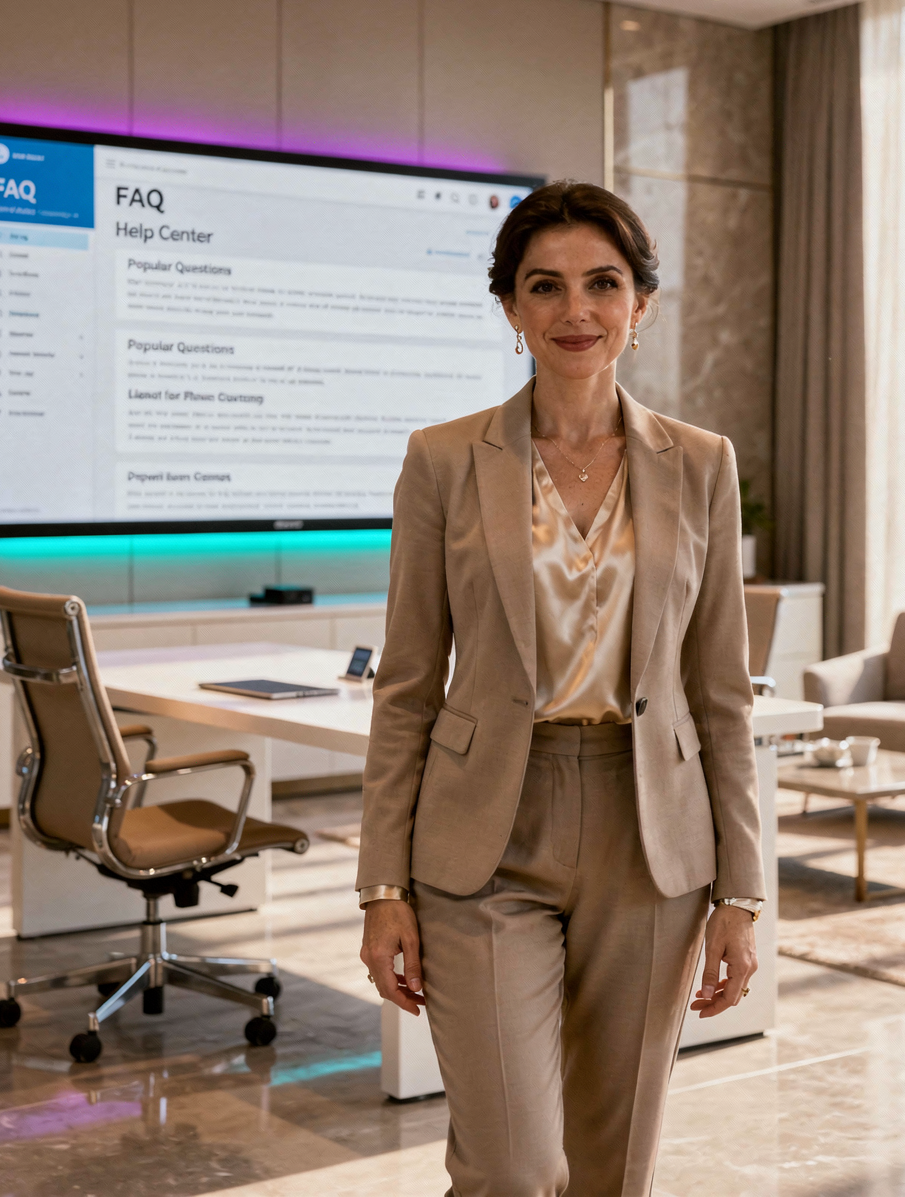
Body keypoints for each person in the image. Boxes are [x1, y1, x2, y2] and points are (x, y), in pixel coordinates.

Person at [356, 180, 764, 1197]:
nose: (574, 311)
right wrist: (381, 887)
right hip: (485, 834)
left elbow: (722, 695)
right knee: (509, 1166)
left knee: (614, 1167)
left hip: (652, 840)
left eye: (602, 284)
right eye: (545, 286)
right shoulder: (443, 460)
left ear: (641, 307)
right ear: (510, 310)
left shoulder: (700, 464)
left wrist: (743, 894)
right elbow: (406, 685)